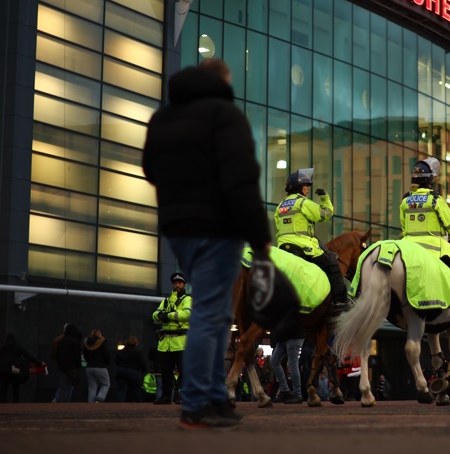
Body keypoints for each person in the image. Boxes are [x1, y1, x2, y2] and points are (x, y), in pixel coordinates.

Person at [143, 58, 272, 429]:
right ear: (222, 82)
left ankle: (215, 397)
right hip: (218, 225)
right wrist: (260, 237)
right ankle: (198, 403)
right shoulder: (224, 115)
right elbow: (241, 179)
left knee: (215, 314)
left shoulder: (163, 118)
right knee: (212, 314)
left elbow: (150, 169)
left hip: (178, 226)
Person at [400, 157, 450, 319]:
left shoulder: (405, 200)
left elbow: (403, 226)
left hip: (407, 248)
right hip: (434, 248)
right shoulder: (436, 200)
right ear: (430, 180)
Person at [275, 168, 346, 316]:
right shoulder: (303, 203)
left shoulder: (280, 205)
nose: (308, 188)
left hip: (282, 247)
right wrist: (325, 198)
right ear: (298, 187)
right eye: (306, 185)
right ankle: (340, 301)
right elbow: (325, 215)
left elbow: (278, 224)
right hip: (303, 246)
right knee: (332, 263)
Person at [151, 272, 191, 405]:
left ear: (184, 284)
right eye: (175, 283)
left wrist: (167, 316)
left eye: (179, 283)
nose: (177, 285)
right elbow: (155, 315)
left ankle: (181, 395)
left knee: (183, 371)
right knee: (166, 372)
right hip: (165, 342)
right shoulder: (166, 300)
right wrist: (160, 315)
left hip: (181, 342)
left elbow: (187, 314)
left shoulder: (187, 299)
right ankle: (166, 396)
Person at [0, 333, 44, 403]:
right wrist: (38, 362)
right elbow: (28, 356)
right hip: (15, 370)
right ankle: (16, 406)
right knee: (16, 390)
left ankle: (2, 405)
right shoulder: (18, 347)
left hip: (5, 371)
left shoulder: (2, 348)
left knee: (4, 389)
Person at [270, 329, 304, 404]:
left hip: (293, 335)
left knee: (293, 364)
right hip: (283, 336)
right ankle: (284, 390)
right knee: (274, 361)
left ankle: (297, 394)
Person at [51, 323, 83, 402]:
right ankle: (75, 401)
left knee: (62, 386)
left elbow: (56, 354)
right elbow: (77, 356)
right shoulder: (75, 341)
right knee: (76, 385)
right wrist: (79, 366)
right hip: (72, 367)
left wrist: (59, 364)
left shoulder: (60, 340)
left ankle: (59, 402)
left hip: (62, 367)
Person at [115, 336, 147, 402]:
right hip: (134, 372)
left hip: (121, 370)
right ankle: (139, 405)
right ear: (136, 343)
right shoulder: (137, 352)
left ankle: (119, 406)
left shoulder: (121, 350)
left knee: (121, 390)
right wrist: (144, 370)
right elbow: (142, 362)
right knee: (136, 390)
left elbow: (116, 361)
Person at [83, 328, 111, 403]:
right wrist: (106, 362)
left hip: (89, 367)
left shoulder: (86, 342)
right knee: (106, 384)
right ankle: (99, 399)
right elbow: (106, 355)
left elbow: (85, 355)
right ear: (99, 335)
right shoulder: (102, 342)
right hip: (100, 366)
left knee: (92, 387)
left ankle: (91, 404)